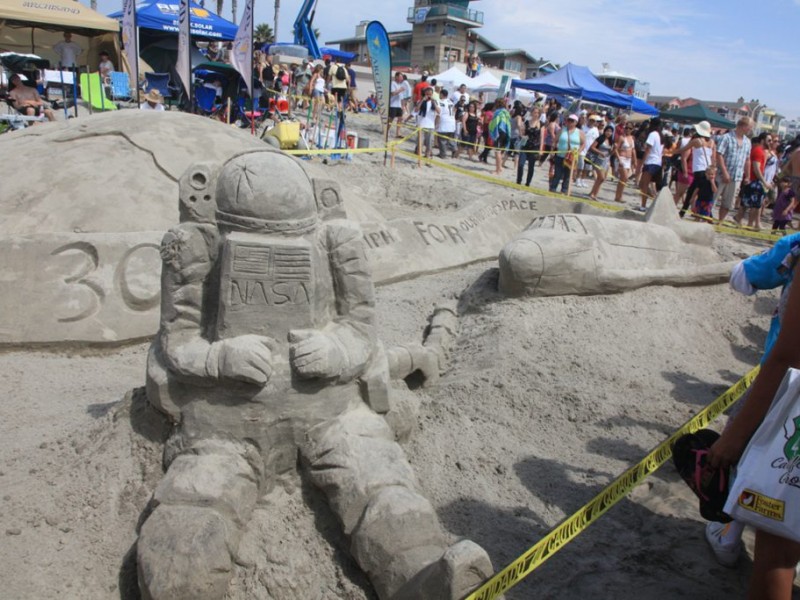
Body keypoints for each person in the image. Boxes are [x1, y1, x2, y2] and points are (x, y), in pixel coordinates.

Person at [708, 241, 800, 600]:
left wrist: (735, 435)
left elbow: (789, 355)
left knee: (776, 554)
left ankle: (728, 535)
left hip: (786, 400)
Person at [715, 117, 754, 224]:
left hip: (737, 176)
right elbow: (719, 154)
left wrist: (747, 176)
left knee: (728, 203)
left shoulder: (747, 142)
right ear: (743, 126)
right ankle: (704, 218)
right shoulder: (726, 138)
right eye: (750, 127)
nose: (750, 130)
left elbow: (747, 159)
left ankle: (720, 222)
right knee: (713, 197)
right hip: (721, 174)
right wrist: (724, 172)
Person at [678, 121, 716, 218]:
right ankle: (708, 216)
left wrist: (670, 152)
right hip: (707, 170)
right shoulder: (712, 142)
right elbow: (713, 159)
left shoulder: (697, 141)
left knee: (692, 192)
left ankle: (683, 213)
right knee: (702, 193)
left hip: (699, 170)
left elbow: (683, 149)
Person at [736, 133, 773, 231]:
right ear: (762, 140)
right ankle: (746, 222)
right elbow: (756, 168)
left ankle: (747, 222)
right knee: (752, 204)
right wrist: (764, 182)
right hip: (753, 180)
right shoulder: (758, 151)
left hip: (755, 180)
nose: (771, 142)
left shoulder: (761, 151)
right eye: (769, 140)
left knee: (754, 204)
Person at [549, 113, 584, 194]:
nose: (569, 122)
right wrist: (552, 150)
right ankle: (553, 189)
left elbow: (583, 143)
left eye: (572, 121)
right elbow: (555, 140)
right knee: (557, 173)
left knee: (567, 175)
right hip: (560, 155)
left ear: (576, 122)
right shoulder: (562, 130)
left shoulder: (579, 132)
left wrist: (578, 152)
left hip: (571, 157)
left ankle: (564, 190)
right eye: (568, 120)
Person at [638, 118, 664, 211]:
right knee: (643, 184)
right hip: (658, 162)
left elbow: (648, 149)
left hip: (651, 162)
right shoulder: (661, 135)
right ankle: (652, 198)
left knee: (644, 184)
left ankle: (643, 205)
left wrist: (642, 163)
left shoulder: (652, 134)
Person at [587, 125, 615, 201]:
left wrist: (614, 149)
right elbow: (592, 147)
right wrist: (600, 152)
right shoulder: (600, 138)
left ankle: (593, 193)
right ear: (604, 131)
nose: (609, 133)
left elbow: (610, 153)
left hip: (605, 161)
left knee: (601, 178)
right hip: (597, 159)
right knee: (601, 178)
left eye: (610, 131)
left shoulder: (611, 141)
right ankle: (593, 194)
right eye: (607, 131)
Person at [517, 106, 542, 187]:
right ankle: (518, 181)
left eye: (538, 113)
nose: (536, 114)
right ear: (531, 113)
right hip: (525, 145)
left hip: (534, 147)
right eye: (534, 112)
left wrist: (541, 150)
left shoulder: (541, 124)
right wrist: (521, 135)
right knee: (521, 164)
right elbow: (522, 132)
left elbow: (542, 138)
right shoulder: (527, 122)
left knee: (531, 166)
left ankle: (528, 183)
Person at [613, 123, 637, 203]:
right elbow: (616, 149)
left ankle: (618, 196)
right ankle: (619, 196)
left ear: (632, 129)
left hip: (628, 159)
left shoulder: (632, 138)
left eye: (629, 128)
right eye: (626, 128)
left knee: (623, 179)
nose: (627, 129)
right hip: (622, 158)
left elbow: (633, 150)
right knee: (625, 177)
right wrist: (619, 159)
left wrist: (635, 160)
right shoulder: (621, 138)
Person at [414, 85, 439, 159]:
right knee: (420, 142)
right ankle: (419, 156)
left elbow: (439, 111)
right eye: (427, 94)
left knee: (429, 143)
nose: (428, 96)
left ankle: (427, 155)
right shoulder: (420, 101)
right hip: (421, 124)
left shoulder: (435, 102)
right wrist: (422, 100)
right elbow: (416, 110)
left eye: (430, 94)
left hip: (430, 125)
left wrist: (433, 102)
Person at [489, 101, 511, 176]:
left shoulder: (498, 112)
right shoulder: (506, 113)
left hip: (500, 133)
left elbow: (495, 123)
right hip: (505, 133)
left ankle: (497, 170)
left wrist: (491, 129)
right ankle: (500, 167)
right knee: (501, 151)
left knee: (497, 152)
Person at [435, 89, 457, 159]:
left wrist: (436, 124)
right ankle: (454, 149)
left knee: (442, 140)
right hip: (451, 121)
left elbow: (439, 113)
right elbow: (454, 110)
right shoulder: (451, 102)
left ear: (441, 94)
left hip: (444, 121)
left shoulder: (440, 102)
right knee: (450, 138)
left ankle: (443, 154)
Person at [389, 71, 405, 138]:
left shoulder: (400, 85)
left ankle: (398, 133)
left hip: (398, 105)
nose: (401, 78)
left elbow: (401, 97)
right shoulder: (393, 83)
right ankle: (386, 130)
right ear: (396, 77)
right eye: (400, 77)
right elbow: (392, 93)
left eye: (402, 77)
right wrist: (400, 90)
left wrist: (403, 105)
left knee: (400, 118)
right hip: (393, 104)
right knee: (391, 119)